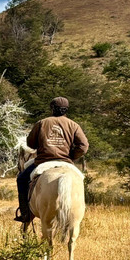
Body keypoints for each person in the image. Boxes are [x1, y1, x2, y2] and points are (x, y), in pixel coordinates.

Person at [15, 96, 89, 224]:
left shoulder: (42, 123)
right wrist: (71, 156)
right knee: (79, 180)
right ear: (66, 109)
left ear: (52, 109)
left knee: (21, 179)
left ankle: (25, 214)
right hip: (65, 162)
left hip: (43, 162)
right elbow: (83, 146)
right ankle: (78, 209)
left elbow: (30, 144)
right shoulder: (74, 125)